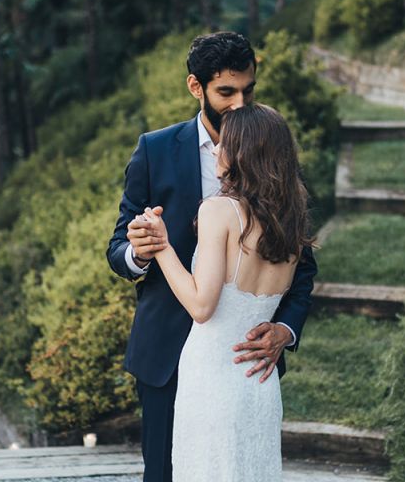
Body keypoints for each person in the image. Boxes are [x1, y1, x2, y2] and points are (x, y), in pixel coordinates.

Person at [106, 32, 317, 482]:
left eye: (248, 90)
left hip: (241, 360)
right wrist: (140, 252)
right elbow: (118, 246)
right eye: (226, 91)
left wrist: (286, 328)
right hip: (166, 353)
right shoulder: (155, 149)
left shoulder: (272, 155)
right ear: (195, 87)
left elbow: (302, 264)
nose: (239, 103)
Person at [143, 103, 313, 481]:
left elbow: (202, 306)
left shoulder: (218, 210)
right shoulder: (291, 221)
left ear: (243, 154)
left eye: (225, 144)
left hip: (211, 380)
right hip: (260, 383)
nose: (216, 150)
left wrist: (162, 247)